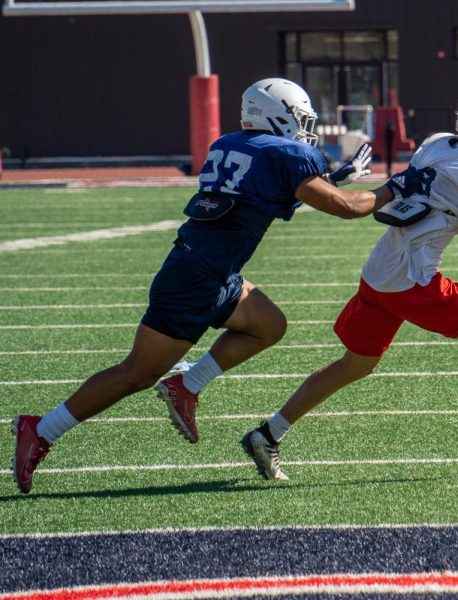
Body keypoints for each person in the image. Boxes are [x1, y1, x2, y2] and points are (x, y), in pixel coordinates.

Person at [11, 77, 425, 494]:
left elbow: (269, 194)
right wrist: (396, 187)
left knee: (269, 325)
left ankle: (187, 383)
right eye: (299, 118)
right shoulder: (287, 152)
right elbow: (347, 210)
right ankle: (41, 429)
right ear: (277, 115)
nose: (304, 128)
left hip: (210, 270)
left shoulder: (230, 144)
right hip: (194, 280)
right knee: (135, 373)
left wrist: (333, 179)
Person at [240, 85, 458, 481]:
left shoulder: (437, 145)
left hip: (379, 274)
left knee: (353, 365)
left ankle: (268, 433)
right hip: (414, 282)